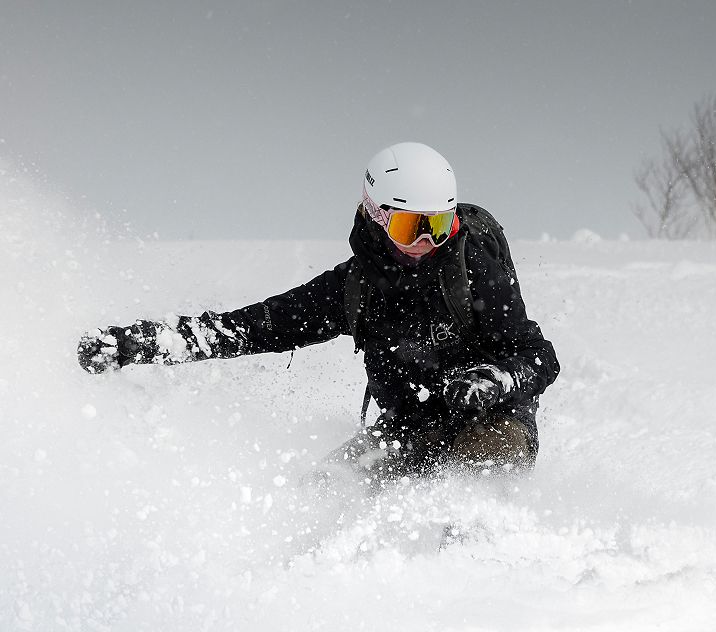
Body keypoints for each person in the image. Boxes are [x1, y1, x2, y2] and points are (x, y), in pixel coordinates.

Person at [78, 142, 559, 481]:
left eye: (439, 224)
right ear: (377, 214)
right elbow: (254, 327)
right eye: (410, 226)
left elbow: (538, 355)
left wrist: (495, 380)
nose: (426, 242)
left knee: (474, 475)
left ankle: (477, 573)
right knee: (324, 489)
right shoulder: (355, 289)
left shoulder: (473, 268)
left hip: (493, 423)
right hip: (408, 432)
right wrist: (145, 343)